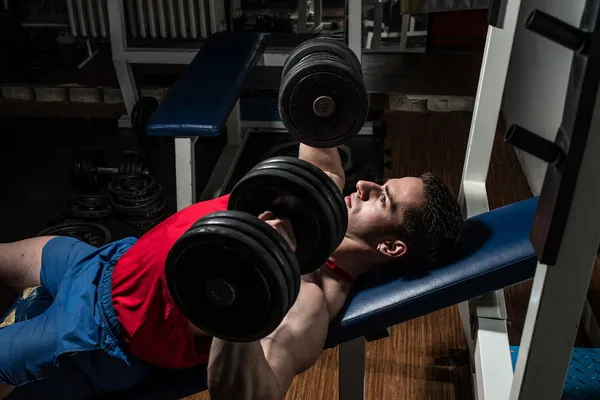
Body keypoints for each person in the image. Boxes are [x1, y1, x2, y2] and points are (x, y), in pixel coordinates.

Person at [0, 144, 463, 400]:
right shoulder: (319, 197)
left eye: (383, 198)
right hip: (104, 261)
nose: (365, 185)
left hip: (95, 335)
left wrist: (252, 285)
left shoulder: (308, 301)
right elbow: (320, 127)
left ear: (392, 246)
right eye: (379, 183)